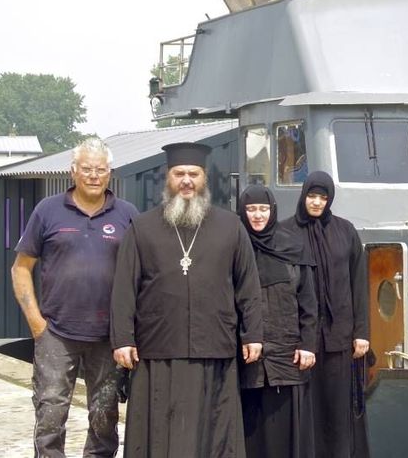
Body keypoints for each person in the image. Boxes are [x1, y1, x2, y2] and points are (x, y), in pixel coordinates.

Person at [110, 142, 263, 458]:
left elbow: (248, 285)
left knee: (215, 433)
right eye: (179, 173)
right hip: (158, 349)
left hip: (214, 346)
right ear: (168, 177)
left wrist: (253, 334)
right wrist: (122, 338)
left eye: (194, 173)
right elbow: (124, 287)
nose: (187, 180)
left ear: (204, 177)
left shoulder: (230, 226)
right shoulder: (142, 227)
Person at [11, 138, 138, 458]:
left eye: (100, 169)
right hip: (56, 333)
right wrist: (37, 324)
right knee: (50, 412)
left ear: (110, 173)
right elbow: (21, 268)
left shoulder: (127, 214)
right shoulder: (48, 210)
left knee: (104, 416)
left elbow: (144, 272)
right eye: (87, 169)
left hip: (109, 337)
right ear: (73, 172)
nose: (94, 175)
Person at [280, 171, 369, 458]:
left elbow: (359, 282)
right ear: (303, 195)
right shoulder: (285, 232)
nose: (317, 202)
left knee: (336, 404)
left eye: (323, 197)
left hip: (339, 335)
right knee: (306, 405)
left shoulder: (346, 231)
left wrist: (362, 333)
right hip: (300, 337)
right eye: (312, 196)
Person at [237, 184, 319, 458]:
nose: (257, 215)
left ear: (272, 211)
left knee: (286, 430)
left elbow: (308, 302)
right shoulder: (236, 248)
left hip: (289, 354)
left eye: (263, 209)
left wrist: (308, 344)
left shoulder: (292, 247)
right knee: (253, 428)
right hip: (248, 356)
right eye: (250, 209)